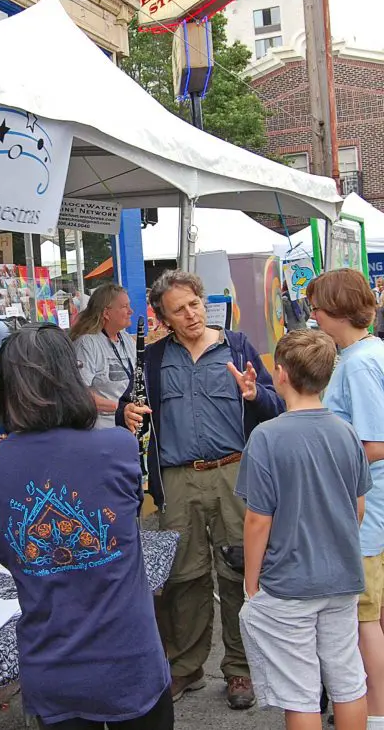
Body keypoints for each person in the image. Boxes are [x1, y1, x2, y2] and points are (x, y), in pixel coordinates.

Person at [0, 324, 172, 728]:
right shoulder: (119, 448)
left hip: (53, 672)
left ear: (8, 388)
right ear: (71, 377)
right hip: (130, 664)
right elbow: (129, 514)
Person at [116, 269, 283, 709]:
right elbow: (132, 412)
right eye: (178, 310)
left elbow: (275, 405)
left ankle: (240, 671)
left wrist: (255, 397)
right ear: (163, 318)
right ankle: (185, 668)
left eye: (194, 304)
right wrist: (125, 413)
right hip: (176, 479)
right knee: (183, 577)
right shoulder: (151, 360)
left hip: (235, 473)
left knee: (239, 573)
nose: (190, 315)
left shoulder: (239, 346)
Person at [236, 329, 370, 730]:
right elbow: (357, 507)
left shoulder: (266, 437)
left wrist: (251, 581)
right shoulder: (346, 432)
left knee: (301, 691)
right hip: (342, 577)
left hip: (289, 579)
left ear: (279, 374)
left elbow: (259, 519)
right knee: (348, 681)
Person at [307, 268, 384, 730]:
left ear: (336, 309)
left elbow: (375, 442)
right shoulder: (368, 353)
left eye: (316, 306)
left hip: (367, 512)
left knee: (364, 618)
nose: (312, 314)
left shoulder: (357, 362)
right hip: (373, 508)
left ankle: (374, 712)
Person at [70, 283, 136, 429]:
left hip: (128, 426)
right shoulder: (87, 344)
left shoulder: (127, 339)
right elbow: (79, 394)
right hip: (101, 430)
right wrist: (121, 408)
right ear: (106, 313)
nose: (131, 311)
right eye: (124, 307)